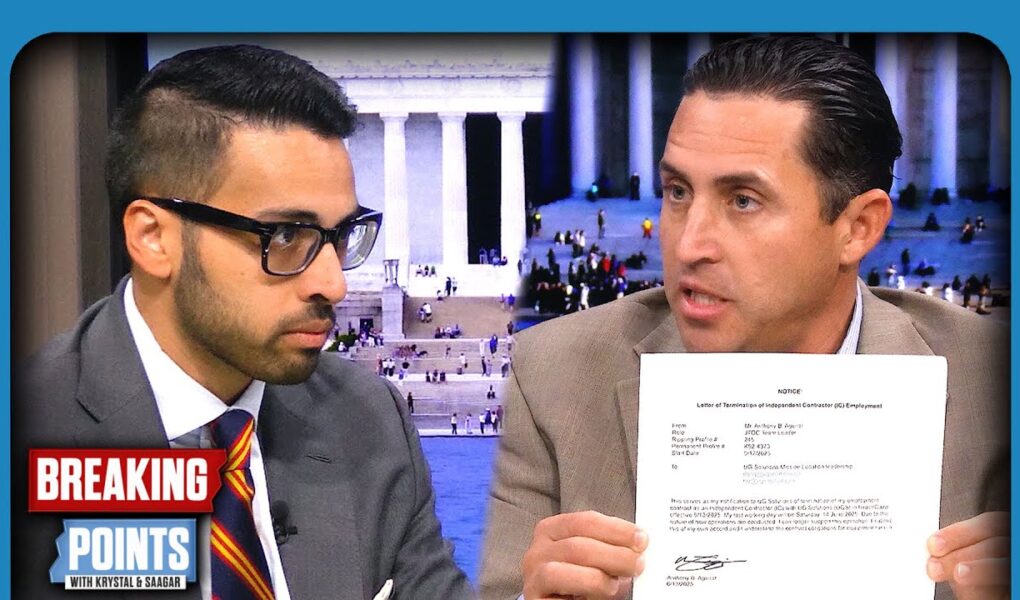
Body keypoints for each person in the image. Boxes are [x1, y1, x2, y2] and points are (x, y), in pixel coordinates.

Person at [479, 36, 1007, 600]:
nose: (688, 245)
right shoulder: (553, 374)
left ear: (859, 228)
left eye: (743, 200)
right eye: (677, 191)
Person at [13, 45, 471, 599]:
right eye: (284, 235)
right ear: (153, 238)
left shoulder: (369, 417)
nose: (334, 284)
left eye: (341, 235)